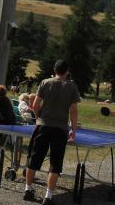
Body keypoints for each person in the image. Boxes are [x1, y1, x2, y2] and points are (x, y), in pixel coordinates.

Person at [24, 60, 80, 204]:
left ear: (55, 70)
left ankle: (28, 189)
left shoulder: (45, 82)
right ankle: (48, 196)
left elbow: (35, 105)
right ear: (67, 71)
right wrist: (73, 130)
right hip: (60, 129)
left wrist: (38, 118)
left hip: (43, 125)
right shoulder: (72, 86)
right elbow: (73, 111)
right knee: (55, 163)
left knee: (34, 158)